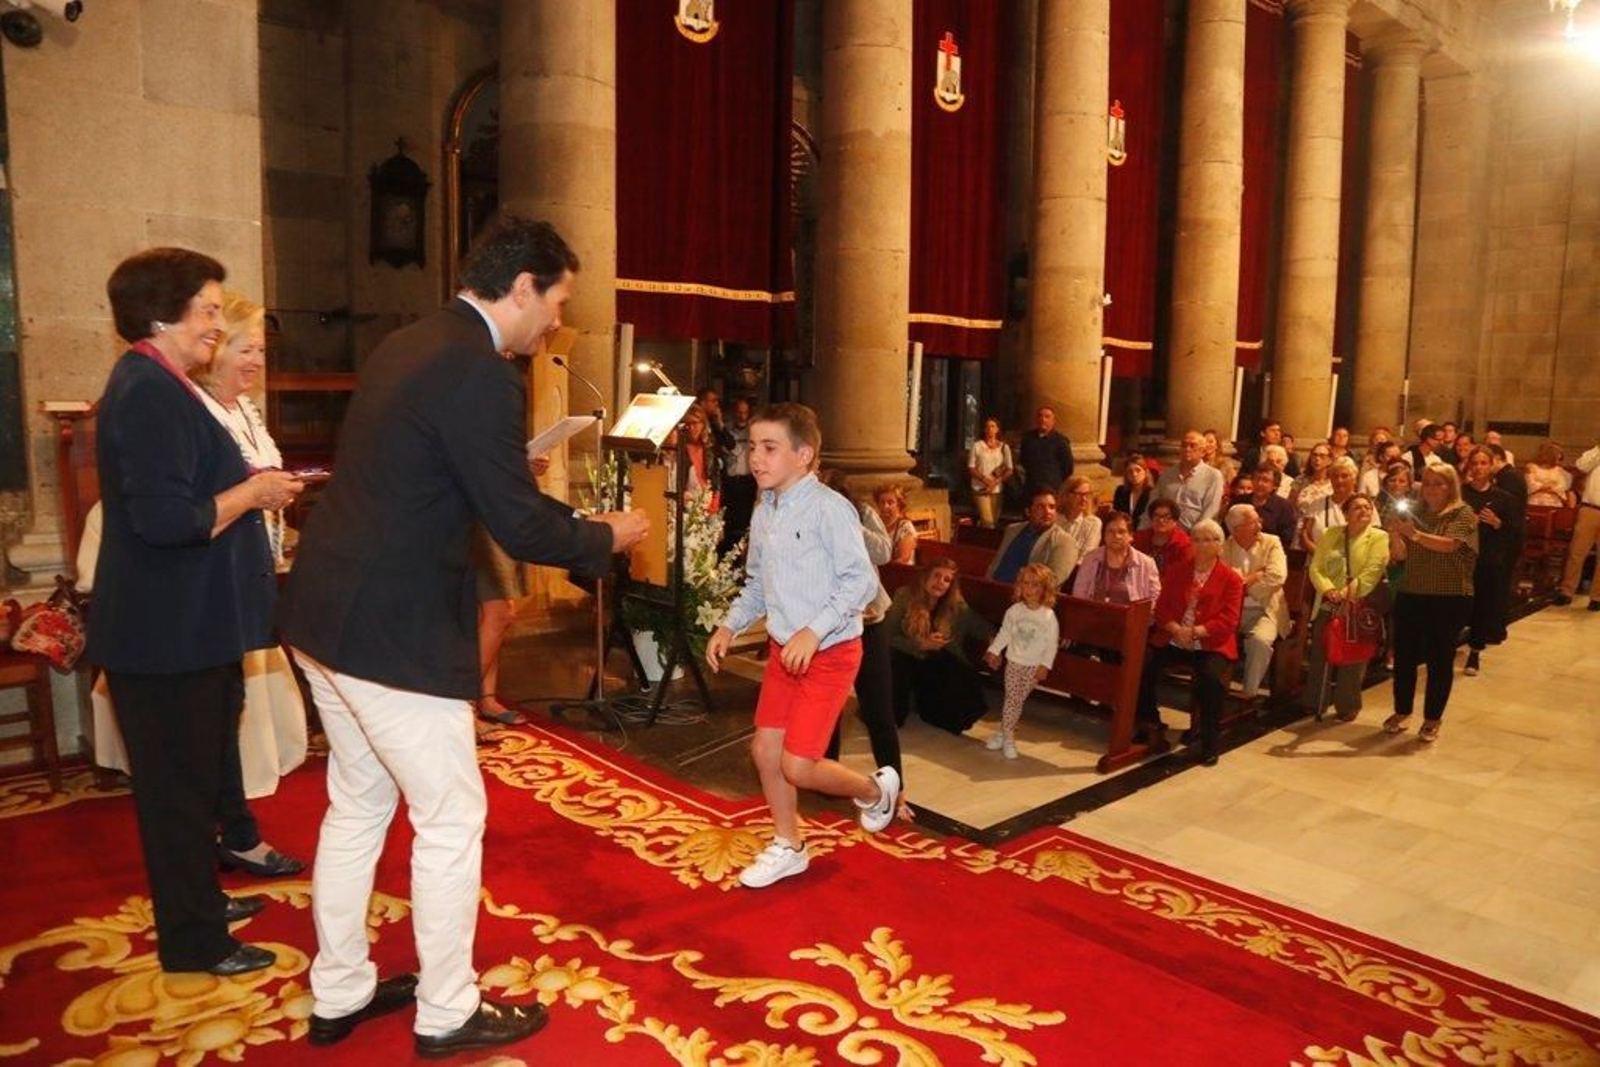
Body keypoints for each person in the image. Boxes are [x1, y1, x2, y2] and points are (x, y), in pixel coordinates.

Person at [281, 218, 649, 1056]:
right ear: (522, 287)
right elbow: (518, 526)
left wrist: (513, 484)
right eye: (557, 300)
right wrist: (604, 535)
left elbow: (422, 474)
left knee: (358, 802)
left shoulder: (408, 342)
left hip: (325, 612)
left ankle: (340, 989)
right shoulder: (482, 372)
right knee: (451, 815)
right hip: (392, 632)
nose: (556, 320)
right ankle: (446, 1010)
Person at [88, 248, 304, 977]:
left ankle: (201, 905)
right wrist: (252, 493)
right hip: (164, 634)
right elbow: (167, 521)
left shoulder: (163, 384)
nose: (217, 322)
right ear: (162, 315)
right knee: (176, 798)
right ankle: (195, 941)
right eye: (208, 309)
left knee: (194, 780)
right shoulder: (147, 390)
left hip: (185, 627)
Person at [706, 402, 900, 890]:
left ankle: (875, 790)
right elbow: (757, 583)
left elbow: (860, 581)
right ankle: (789, 845)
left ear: (804, 454)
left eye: (770, 448)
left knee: (798, 764)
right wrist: (729, 625)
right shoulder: (764, 510)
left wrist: (813, 631)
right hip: (784, 652)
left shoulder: (830, 509)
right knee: (765, 751)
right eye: (754, 446)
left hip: (830, 653)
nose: (756, 457)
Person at [189, 291, 307, 875]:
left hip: (244, 570)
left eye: (261, 350)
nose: (256, 361)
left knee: (226, 704)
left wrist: (276, 498)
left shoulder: (243, 410)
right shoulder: (196, 411)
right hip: (207, 580)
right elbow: (197, 505)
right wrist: (258, 492)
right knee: (211, 713)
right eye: (245, 349)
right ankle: (226, 834)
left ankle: (233, 830)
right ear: (214, 350)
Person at [824, 496, 911, 822]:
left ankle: (896, 791)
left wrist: (849, 523)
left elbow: (884, 551)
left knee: (878, 710)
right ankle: (825, 779)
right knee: (829, 707)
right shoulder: (810, 519)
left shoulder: (862, 514)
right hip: (830, 625)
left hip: (869, 623)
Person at [1135, 519, 1244, 765]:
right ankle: (1149, 723)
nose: (1202, 545)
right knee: (1141, 664)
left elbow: (1229, 619)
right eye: (1196, 539)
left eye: (1208, 540)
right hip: (1173, 637)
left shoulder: (1231, 579)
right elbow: (1161, 607)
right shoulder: (1177, 570)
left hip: (1210, 643)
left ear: (1220, 545)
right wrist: (1175, 628)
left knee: (1211, 679)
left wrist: (1196, 632)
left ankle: (1209, 741)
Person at [1384, 465, 1479, 743]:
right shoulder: (1417, 513)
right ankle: (1402, 710)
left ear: (1451, 486)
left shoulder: (1462, 513)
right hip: (1412, 591)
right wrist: (1394, 533)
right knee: (1404, 657)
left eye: (1438, 483)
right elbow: (1400, 556)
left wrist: (1413, 534)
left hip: (1449, 596)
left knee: (1439, 659)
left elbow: (1450, 545)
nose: (1431, 489)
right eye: (1426, 483)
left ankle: (1433, 718)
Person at [1303, 494, 1390, 722]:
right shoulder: (1331, 534)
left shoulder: (1379, 537)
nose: (1363, 511)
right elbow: (1316, 567)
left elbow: (1372, 571)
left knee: (1353, 655)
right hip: (1329, 601)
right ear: (1345, 514)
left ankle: (1347, 704)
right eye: (1357, 508)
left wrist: (1345, 594)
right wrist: (1329, 590)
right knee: (1321, 651)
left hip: (1358, 603)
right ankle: (1316, 701)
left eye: (1367, 507)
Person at [882, 558, 995, 733]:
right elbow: (887, 635)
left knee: (963, 682)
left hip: (935, 662)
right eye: (936, 575)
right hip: (907, 655)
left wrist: (993, 644)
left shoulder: (955, 603)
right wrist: (920, 644)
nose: (940, 582)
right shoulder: (905, 595)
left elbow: (980, 626)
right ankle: (892, 715)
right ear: (925, 576)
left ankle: (931, 710)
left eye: (946, 579)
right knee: (896, 659)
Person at [982, 563, 1061, 760]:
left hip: (1033, 667)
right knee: (1012, 699)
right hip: (1014, 662)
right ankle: (1008, 738)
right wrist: (994, 650)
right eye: (1025, 583)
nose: (1029, 589)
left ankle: (1002, 732)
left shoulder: (1048, 616)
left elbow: (1052, 644)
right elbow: (1005, 633)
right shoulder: (1014, 611)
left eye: (1035, 584)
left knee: (1016, 700)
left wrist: (1045, 665)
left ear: (1044, 589)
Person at [1461, 447, 1521, 676]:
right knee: (1456, 604)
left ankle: (1474, 653)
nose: (1478, 467)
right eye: (1474, 463)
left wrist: (1497, 523)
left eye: (1483, 463)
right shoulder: (1460, 493)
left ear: (1490, 466)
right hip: (1459, 557)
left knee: (1481, 605)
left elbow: (1513, 531)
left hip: (1487, 559)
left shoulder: (1503, 498)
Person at [1221, 504, 1288, 702]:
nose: (1260, 524)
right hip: (1231, 610)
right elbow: (1223, 582)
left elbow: (1277, 576)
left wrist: (1243, 584)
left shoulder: (1272, 542)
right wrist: (1256, 575)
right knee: (1214, 638)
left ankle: (1248, 694)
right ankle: (1215, 690)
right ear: (1237, 529)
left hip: (1265, 609)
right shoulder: (1224, 548)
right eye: (1254, 521)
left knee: (1260, 641)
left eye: (1259, 519)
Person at [988, 487, 1080, 586]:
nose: (1048, 512)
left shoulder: (1065, 541)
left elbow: (1053, 581)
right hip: (993, 587)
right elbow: (995, 565)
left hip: (1028, 594)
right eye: (1041, 507)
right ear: (1028, 511)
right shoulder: (1012, 530)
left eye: (1052, 507)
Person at [1072, 511, 1160, 604]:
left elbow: (1155, 599)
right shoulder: (1090, 559)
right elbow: (1078, 596)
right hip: (1094, 612)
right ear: (1104, 535)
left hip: (1131, 613)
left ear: (1131, 536)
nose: (1116, 536)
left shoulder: (1147, 564)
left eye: (1121, 532)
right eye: (1110, 531)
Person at [1555, 435, 1600, 609]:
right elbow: (1581, 465)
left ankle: (1597, 597)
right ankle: (1566, 591)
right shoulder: (1595, 454)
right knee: (1577, 552)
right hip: (1590, 508)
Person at [1151, 430, 1225, 531]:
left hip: (1196, 534)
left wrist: (1195, 534)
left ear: (1203, 452)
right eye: (1184, 445)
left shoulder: (1213, 476)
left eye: (1192, 446)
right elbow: (1153, 504)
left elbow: (1210, 512)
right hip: (1165, 532)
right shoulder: (1166, 475)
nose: (1187, 449)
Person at [719, 396, 756, 554]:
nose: (742, 416)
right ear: (734, 413)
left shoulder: (753, 431)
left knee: (745, 521)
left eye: (745, 412)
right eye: (739, 412)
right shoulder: (726, 431)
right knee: (730, 521)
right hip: (731, 481)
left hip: (748, 481)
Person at [1298, 456, 1358, 551]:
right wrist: (1320, 554)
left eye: (1344, 476)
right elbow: (1304, 535)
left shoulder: (1364, 505)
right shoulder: (1316, 504)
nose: (1339, 480)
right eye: (1335, 476)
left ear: (1354, 479)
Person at [968, 416, 1013, 529]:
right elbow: (971, 467)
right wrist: (984, 479)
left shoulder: (1004, 447)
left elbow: (1009, 468)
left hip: (996, 489)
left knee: (993, 521)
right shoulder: (977, 446)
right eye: (987, 427)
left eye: (993, 426)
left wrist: (996, 482)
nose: (990, 429)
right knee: (988, 522)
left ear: (997, 429)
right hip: (980, 488)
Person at [1018, 404, 1073, 492]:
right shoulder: (1027, 438)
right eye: (1040, 416)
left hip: (1052, 487)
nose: (1043, 419)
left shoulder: (1061, 441)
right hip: (1031, 486)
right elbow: (1023, 460)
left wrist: (1054, 478)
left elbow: (1068, 468)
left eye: (1047, 417)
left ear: (1053, 421)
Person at [1133, 498, 1193, 574]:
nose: (1160, 520)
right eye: (1156, 516)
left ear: (1175, 521)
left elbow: (1184, 572)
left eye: (1166, 517)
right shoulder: (1140, 537)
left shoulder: (1184, 544)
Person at [1248, 465, 1299, 546]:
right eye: (1257, 478)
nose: (1259, 483)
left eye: (1265, 480)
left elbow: (1286, 537)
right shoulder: (1239, 501)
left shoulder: (1284, 507)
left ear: (1275, 485)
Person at [1055, 475, 1102, 562]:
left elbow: (1087, 556)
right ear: (1067, 495)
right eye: (1079, 494)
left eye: (1087, 494)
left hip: (1080, 568)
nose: (1084, 499)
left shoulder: (1093, 523)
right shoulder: (1055, 519)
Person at [873, 483, 919, 565]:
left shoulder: (905, 527)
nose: (885, 506)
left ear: (899, 505)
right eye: (882, 502)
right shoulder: (874, 524)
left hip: (899, 570)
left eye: (890, 502)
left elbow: (903, 559)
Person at [1525, 442, 1574, 508]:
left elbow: (1562, 486)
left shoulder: (1559, 470)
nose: (1559, 458)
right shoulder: (1532, 467)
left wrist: (1550, 488)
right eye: (1557, 456)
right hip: (1535, 501)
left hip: (1554, 502)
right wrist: (1544, 487)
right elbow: (1530, 484)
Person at [1114, 451, 1156, 528]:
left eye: (1138, 470)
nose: (1134, 474)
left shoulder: (1152, 493)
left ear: (1145, 472)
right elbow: (1117, 514)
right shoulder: (1121, 491)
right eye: (1130, 471)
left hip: (1144, 530)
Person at [1289, 442, 1334, 512]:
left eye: (1322, 456)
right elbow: (1290, 507)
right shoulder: (1300, 481)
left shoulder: (1334, 482)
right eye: (1314, 455)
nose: (1317, 459)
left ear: (1329, 460)